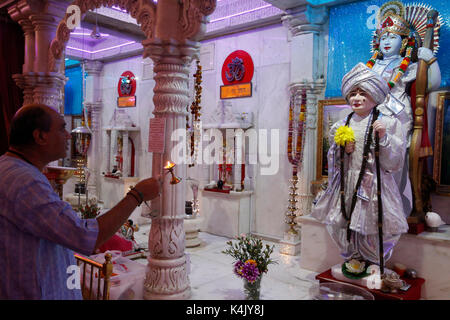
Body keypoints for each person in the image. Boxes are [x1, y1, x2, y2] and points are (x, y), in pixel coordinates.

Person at [0, 103, 161, 299]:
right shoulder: (26, 181)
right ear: (40, 136)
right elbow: (84, 236)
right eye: (61, 128)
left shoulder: (9, 167)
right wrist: (137, 195)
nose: (68, 135)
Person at [311, 63, 409, 268]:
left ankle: (373, 261)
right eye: (353, 93)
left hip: (375, 185)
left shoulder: (389, 124)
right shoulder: (341, 125)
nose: (356, 98)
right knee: (344, 224)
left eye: (363, 93)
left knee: (375, 224)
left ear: (375, 96)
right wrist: (342, 151)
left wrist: (383, 138)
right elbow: (333, 161)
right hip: (347, 184)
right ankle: (353, 258)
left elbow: (394, 162)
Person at [365, 1, 441, 215]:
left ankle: (394, 209)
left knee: (394, 163)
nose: (387, 42)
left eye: (393, 37)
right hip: (372, 117)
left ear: (405, 41)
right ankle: (371, 207)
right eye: (384, 38)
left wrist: (430, 59)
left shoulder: (409, 65)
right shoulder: (370, 66)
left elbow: (432, 83)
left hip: (397, 119)